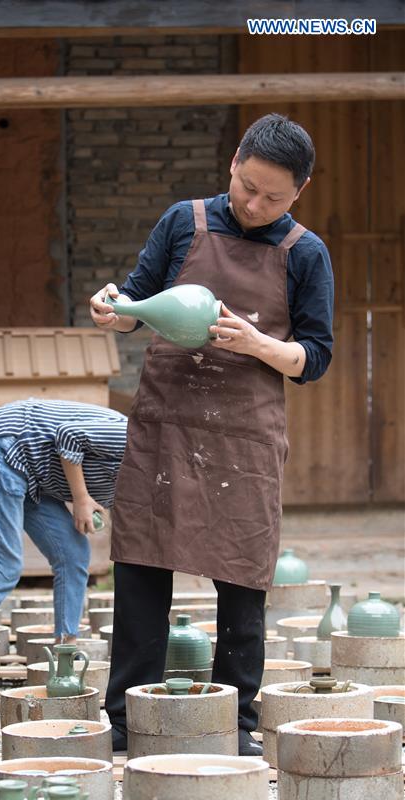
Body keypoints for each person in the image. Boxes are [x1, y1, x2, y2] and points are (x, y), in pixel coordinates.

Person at [89, 113, 334, 755]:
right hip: (166, 421)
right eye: (247, 185)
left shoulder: (304, 253)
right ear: (233, 162)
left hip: (244, 437)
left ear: (298, 193)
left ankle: (238, 724)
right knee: (141, 563)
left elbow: (316, 357)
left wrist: (259, 344)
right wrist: (114, 313)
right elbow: (136, 306)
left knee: (243, 574)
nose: (254, 204)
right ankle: (124, 722)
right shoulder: (183, 222)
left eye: (272, 196)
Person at [0, 398, 128, 652]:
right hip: (2, 446)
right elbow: (68, 435)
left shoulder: (149, 486)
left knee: (73, 554)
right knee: (1, 568)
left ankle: (65, 653)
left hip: (33, 476)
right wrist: (81, 499)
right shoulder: (134, 438)